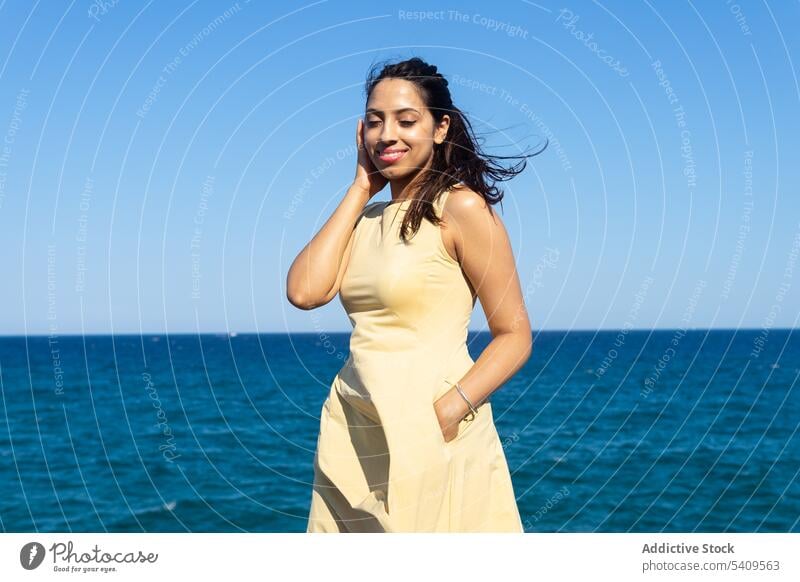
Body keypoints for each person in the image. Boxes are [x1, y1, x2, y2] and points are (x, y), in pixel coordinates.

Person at [287, 57, 544, 532]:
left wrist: (446, 413)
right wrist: (361, 187)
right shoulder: (362, 222)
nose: (388, 134)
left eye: (407, 120)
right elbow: (304, 291)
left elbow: (514, 334)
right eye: (376, 121)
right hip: (355, 428)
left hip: (431, 428)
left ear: (440, 127)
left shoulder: (461, 208)